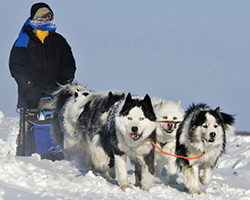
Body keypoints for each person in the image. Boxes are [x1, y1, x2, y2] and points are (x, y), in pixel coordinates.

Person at [9, 2, 76, 157]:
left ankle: (60, 157)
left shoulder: (59, 41)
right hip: (30, 96)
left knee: (59, 128)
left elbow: (69, 64)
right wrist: (29, 85)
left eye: (48, 18)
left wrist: (63, 84)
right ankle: (25, 160)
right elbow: (15, 66)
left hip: (57, 95)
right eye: (41, 19)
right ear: (34, 19)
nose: (45, 22)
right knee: (28, 131)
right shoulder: (23, 41)